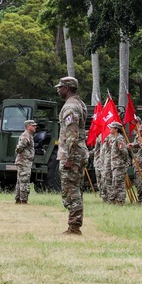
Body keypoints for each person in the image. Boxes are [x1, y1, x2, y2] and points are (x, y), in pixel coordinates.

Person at [55, 76, 89, 235]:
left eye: (60, 87)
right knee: (74, 188)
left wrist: (69, 157)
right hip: (78, 152)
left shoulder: (70, 107)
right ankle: (74, 225)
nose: (58, 89)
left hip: (72, 154)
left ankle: (74, 227)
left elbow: (72, 134)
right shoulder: (79, 104)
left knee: (71, 190)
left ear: (66, 89)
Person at [14, 119, 37, 204]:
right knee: (24, 180)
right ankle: (24, 200)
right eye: (33, 125)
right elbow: (19, 148)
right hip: (24, 161)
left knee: (20, 180)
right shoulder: (26, 136)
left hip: (24, 161)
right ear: (28, 126)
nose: (35, 127)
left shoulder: (28, 135)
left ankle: (18, 199)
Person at [106, 122, 130, 204]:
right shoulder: (114, 138)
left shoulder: (119, 138)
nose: (110, 129)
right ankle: (116, 200)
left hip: (119, 165)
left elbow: (124, 151)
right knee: (115, 183)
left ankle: (120, 201)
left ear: (116, 129)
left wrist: (124, 161)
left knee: (119, 184)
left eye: (111, 128)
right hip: (115, 165)